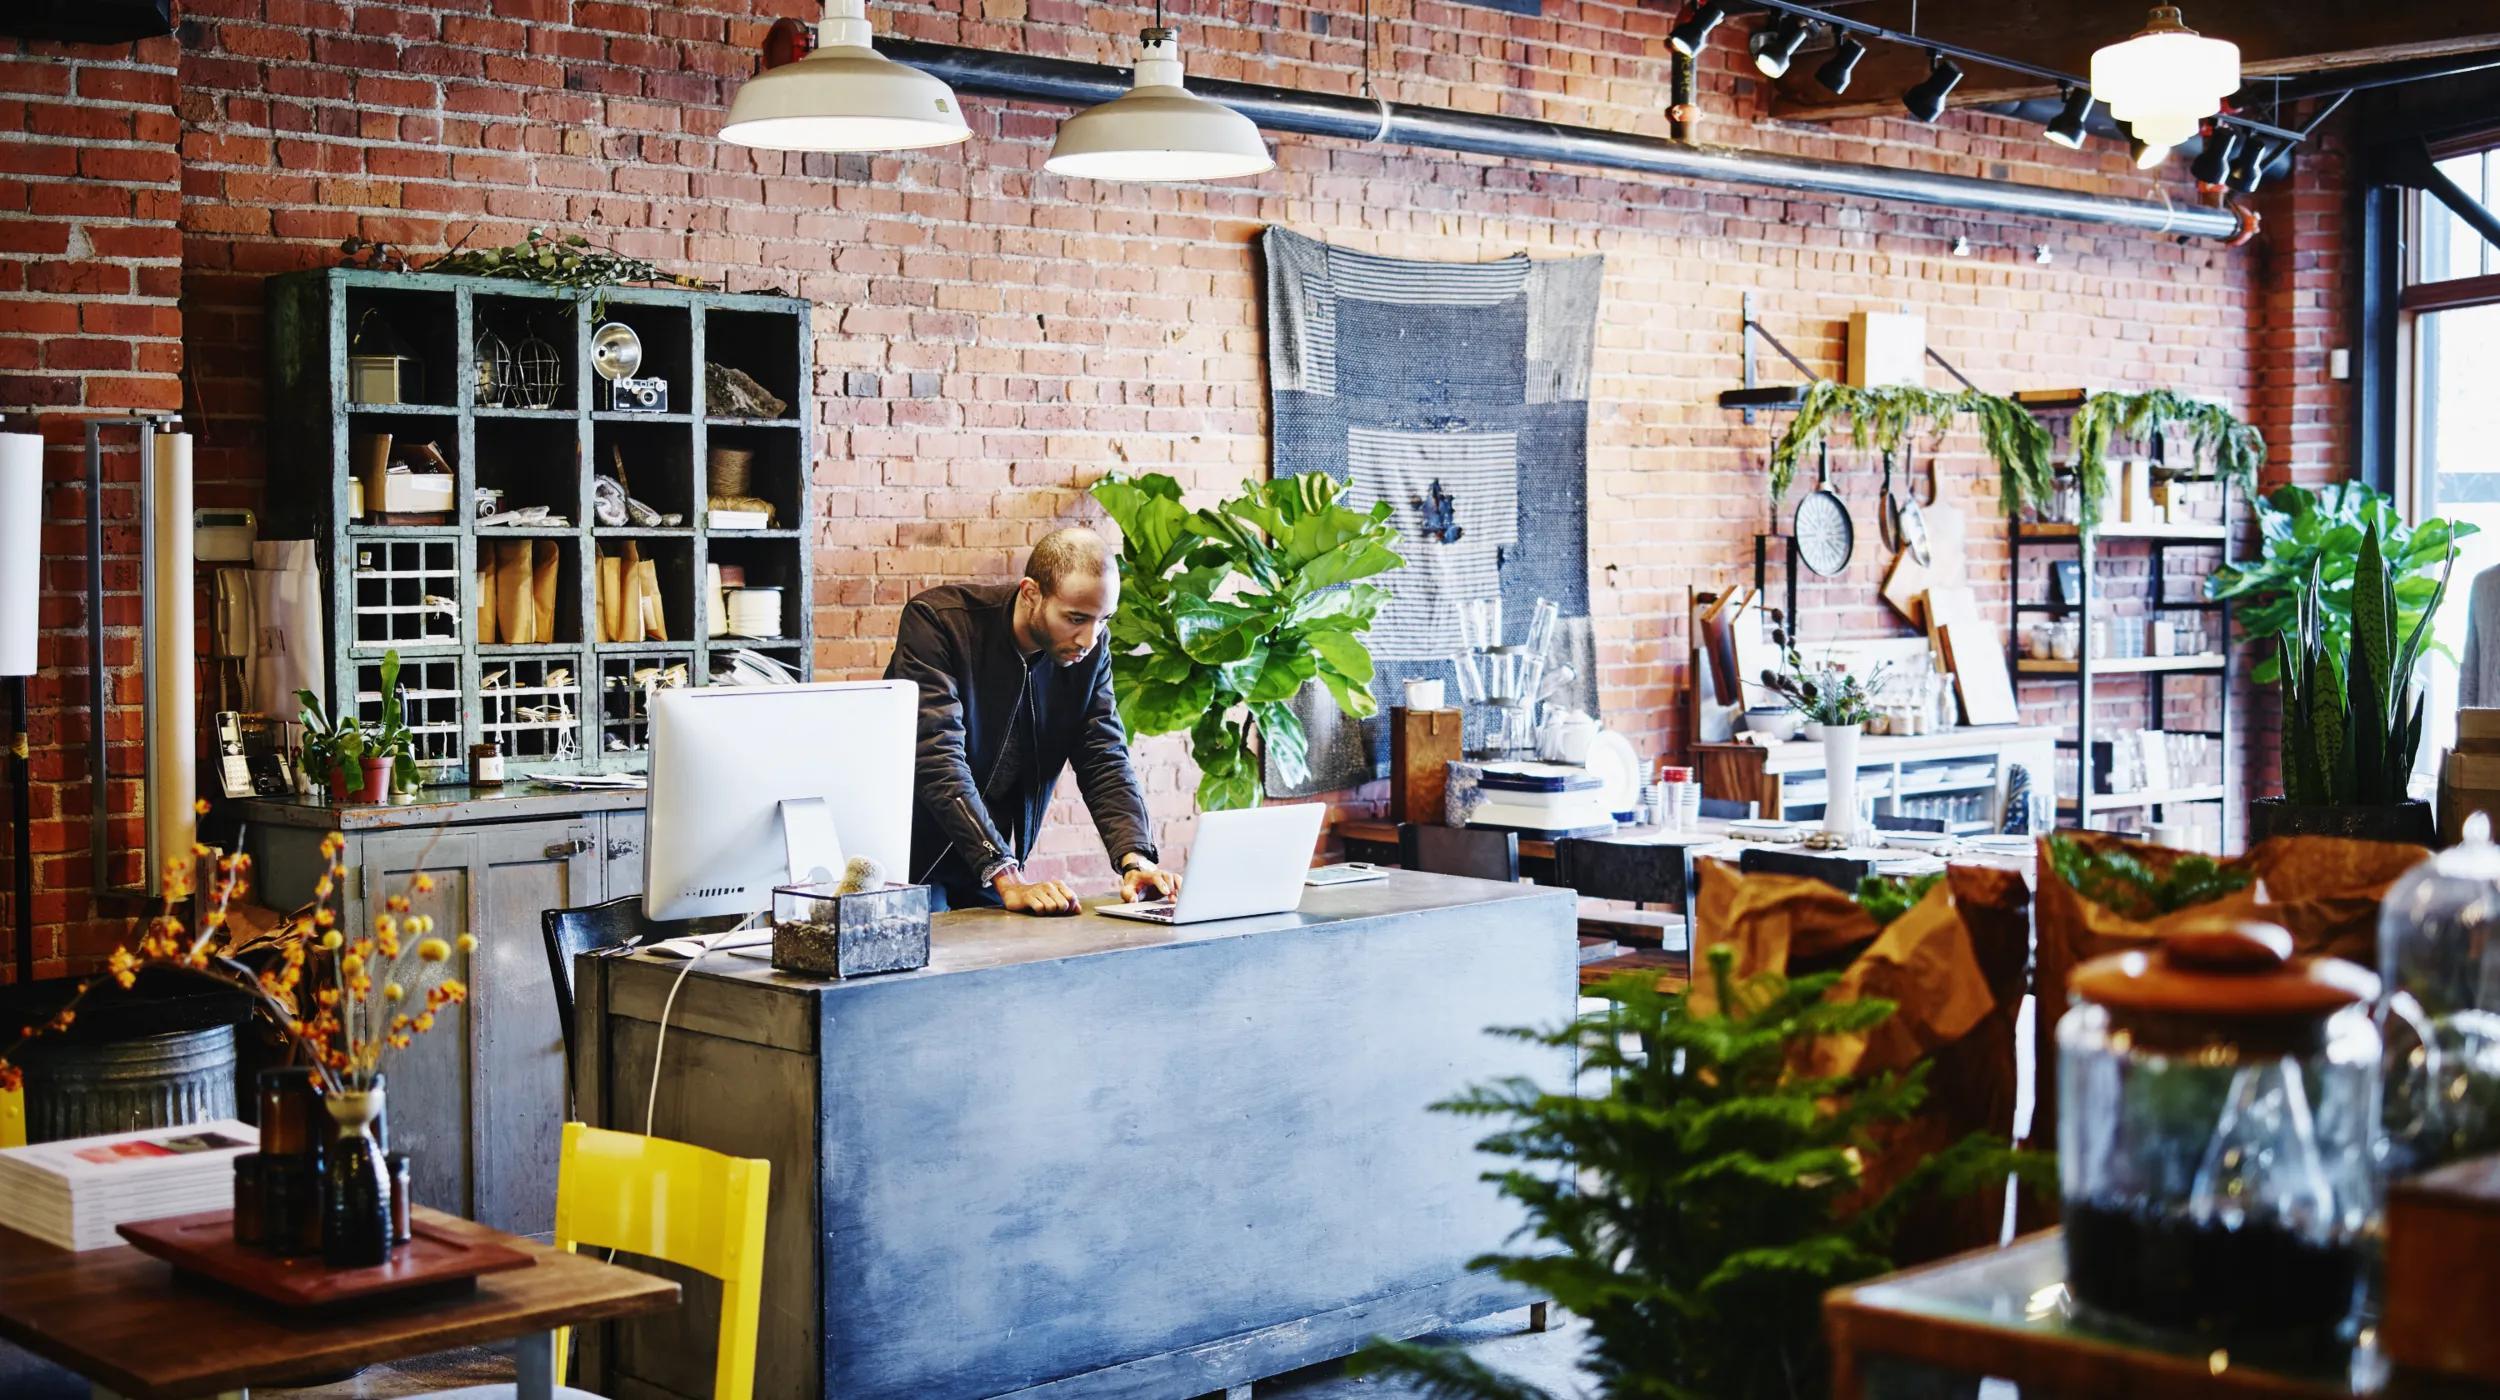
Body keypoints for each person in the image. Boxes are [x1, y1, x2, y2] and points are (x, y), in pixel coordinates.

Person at [884, 529, 1182, 915]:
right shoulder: (940, 623)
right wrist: (1005, 874)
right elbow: (937, 757)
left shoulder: (1089, 650)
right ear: (1030, 593)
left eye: (1103, 620)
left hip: (989, 864)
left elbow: (1103, 756)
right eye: (1075, 618)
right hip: (909, 858)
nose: (1089, 639)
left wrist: (1136, 860)